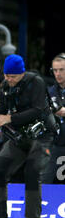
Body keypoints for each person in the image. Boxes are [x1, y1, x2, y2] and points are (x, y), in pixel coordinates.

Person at [0, 54, 57, 218]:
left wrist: (10, 118)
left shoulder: (36, 82)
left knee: (33, 170)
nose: (9, 79)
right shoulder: (5, 86)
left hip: (42, 135)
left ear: (22, 73)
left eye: (13, 76)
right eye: (7, 75)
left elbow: (38, 110)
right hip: (19, 137)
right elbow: (0, 112)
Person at [42, 53, 65, 183]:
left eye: (61, 70)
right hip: (54, 143)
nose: (58, 74)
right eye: (55, 70)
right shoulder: (50, 92)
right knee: (45, 180)